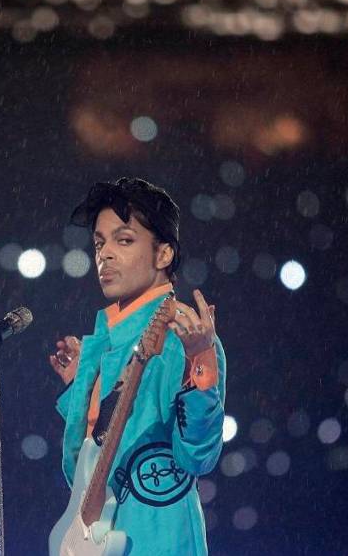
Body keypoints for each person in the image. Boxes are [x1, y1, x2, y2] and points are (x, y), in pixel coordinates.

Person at [48, 177, 227, 556]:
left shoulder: (182, 333)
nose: (105, 255)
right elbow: (82, 478)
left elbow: (198, 457)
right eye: (99, 243)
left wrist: (201, 364)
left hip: (156, 539)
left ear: (163, 255)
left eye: (124, 240)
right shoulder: (102, 345)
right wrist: (81, 387)